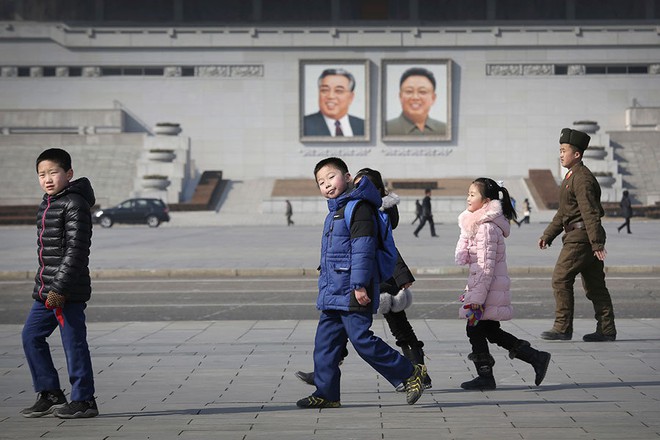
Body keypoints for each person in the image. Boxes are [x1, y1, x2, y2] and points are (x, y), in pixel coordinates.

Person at [296, 157, 427, 408]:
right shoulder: (335, 211)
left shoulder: (359, 207)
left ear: (347, 177)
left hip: (353, 289)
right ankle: (327, 394)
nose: (327, 184)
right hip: (334, 290)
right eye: (321, 182)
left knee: (361, 340)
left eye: (331, 177)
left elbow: (363, 249)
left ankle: (410, 372)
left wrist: (359, 285)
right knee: (325, 344)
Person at [21, 148, 99, 418]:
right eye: (42, 174)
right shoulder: (48, 203)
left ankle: (84, 400)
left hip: (66, 291)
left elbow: (76, 250)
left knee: (73, 342)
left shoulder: (74, 204)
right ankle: (50, 392)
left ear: (69, 174)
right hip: (46, 290)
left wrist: (59, 289)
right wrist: (45, 287)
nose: (48, 179)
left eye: (53, 172)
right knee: (31, 336)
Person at [455, 178, 551, 390]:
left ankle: (486, 376)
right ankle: (535, 357)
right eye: (468, 193)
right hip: (486, 289)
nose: (468, 198)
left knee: (475, 329)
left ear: (486, 200)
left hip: (485, 291)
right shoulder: (481, 225)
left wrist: (476, 299)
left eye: (472, 194)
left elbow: (485, 268)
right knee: (490, 331)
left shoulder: (486, 228)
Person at [539, 128, 617, 342]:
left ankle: (562, 327)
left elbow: (590, 211)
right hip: (581, 236)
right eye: (560, 150)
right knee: (595, 286)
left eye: (564, 150)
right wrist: (549, 235)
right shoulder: (571, 177)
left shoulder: (582, 178)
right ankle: (606, 329)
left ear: (577, 154)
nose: (561, 154)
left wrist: (596, 243)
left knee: (560, 278)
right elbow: (564, 212)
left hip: (581, 238)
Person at [386, 67, 447, 137]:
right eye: (409, 91)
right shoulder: (386, 129)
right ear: (400, 96)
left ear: (433, 98)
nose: (415, 97)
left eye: (422, 92)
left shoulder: (445, 130)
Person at [303, 68, 365, 137]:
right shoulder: (303, 125)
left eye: (338, 91)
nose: (330, 96)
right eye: (325, 90)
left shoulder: (364, 126)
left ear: (351, 97)